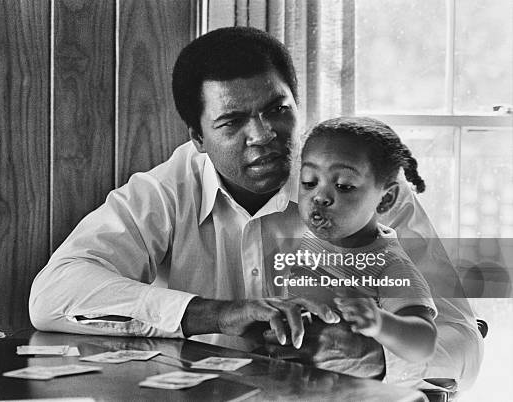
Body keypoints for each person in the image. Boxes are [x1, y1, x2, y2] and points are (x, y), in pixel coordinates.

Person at [29, 27, 482, 389]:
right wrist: (216, 313)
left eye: (277, 109)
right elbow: (53, 296)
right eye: (232, 121)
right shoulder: (167, 189)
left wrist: (374, 357)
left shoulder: (371, 190)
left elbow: (464, 345)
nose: (263, 135)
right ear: (198, 138)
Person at [291, 117, 438, 383]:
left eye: (344, 186)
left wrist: (379, 323)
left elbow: (424, 343)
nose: (320, 197)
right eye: (309, 182)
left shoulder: (390, 264)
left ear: (386, 199)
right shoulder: (302, 241)